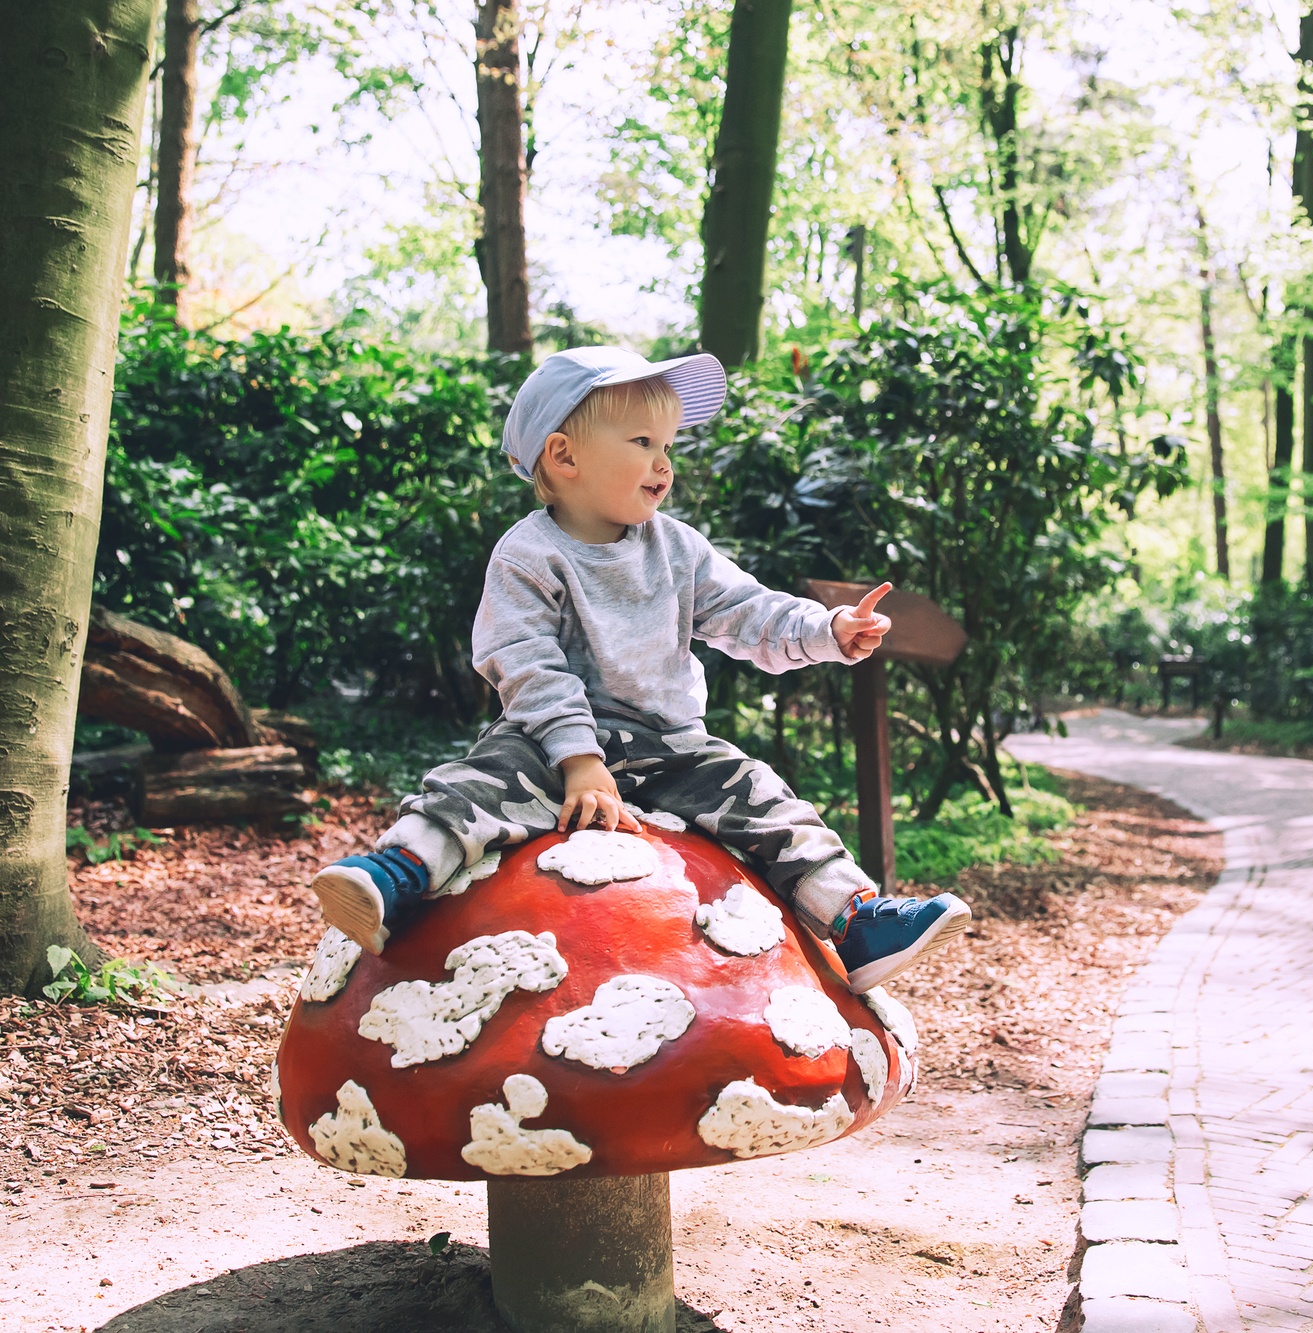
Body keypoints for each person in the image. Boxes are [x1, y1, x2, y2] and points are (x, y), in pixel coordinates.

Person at [308, 346, 969, 993]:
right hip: (549, 745)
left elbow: (748, 612)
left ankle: (855, 920)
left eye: (669, 446)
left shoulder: (678, 549)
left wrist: (827, 630)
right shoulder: (529, 556)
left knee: (764, 795)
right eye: (644, 441)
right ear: (563, 455)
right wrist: (578, 758)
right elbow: (527, 664)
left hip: (673, 747)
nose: (663, 462)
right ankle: (395, 875)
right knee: (475, 784)